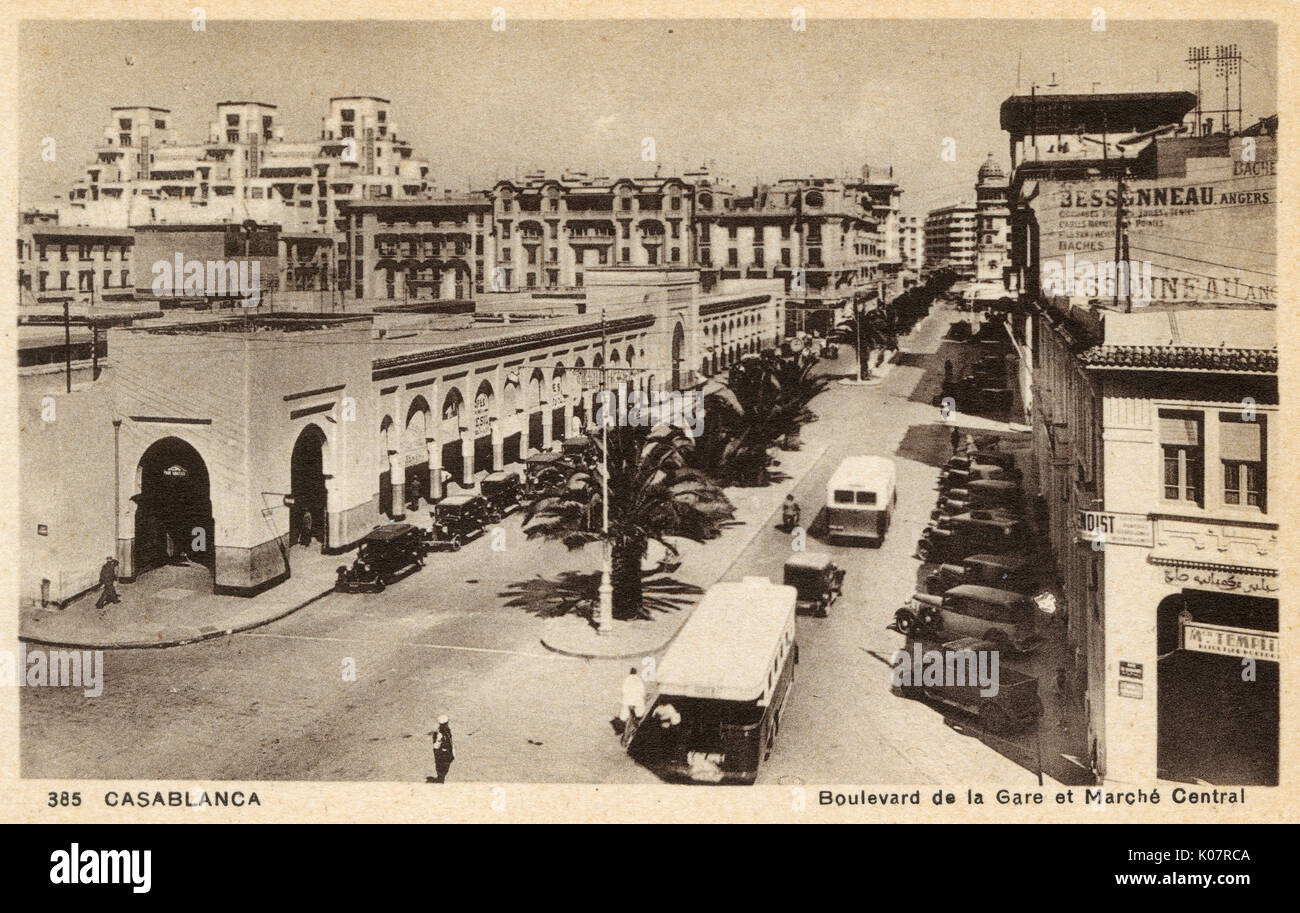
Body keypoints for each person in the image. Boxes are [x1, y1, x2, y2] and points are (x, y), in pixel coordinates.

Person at [617, 667, 646, 731]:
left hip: (629, 699)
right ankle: (636, 721)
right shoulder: (638, 679)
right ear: (636, 672)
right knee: (639, 710)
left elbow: (623, 690)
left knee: (627, 711)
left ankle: (629, 722)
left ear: (630, 672)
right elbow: (642, 690)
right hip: (636, 699)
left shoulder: (626, 679)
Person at [430, 715, 455, 783]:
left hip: (447, 752)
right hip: (442, 752)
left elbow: (450, 742)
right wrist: (436, 752)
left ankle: (441, 779)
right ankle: (440, 780)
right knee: (441, 767)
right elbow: (437, 744)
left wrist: (453, 753)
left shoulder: (447, 731)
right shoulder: (439, 733)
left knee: (445, 768)